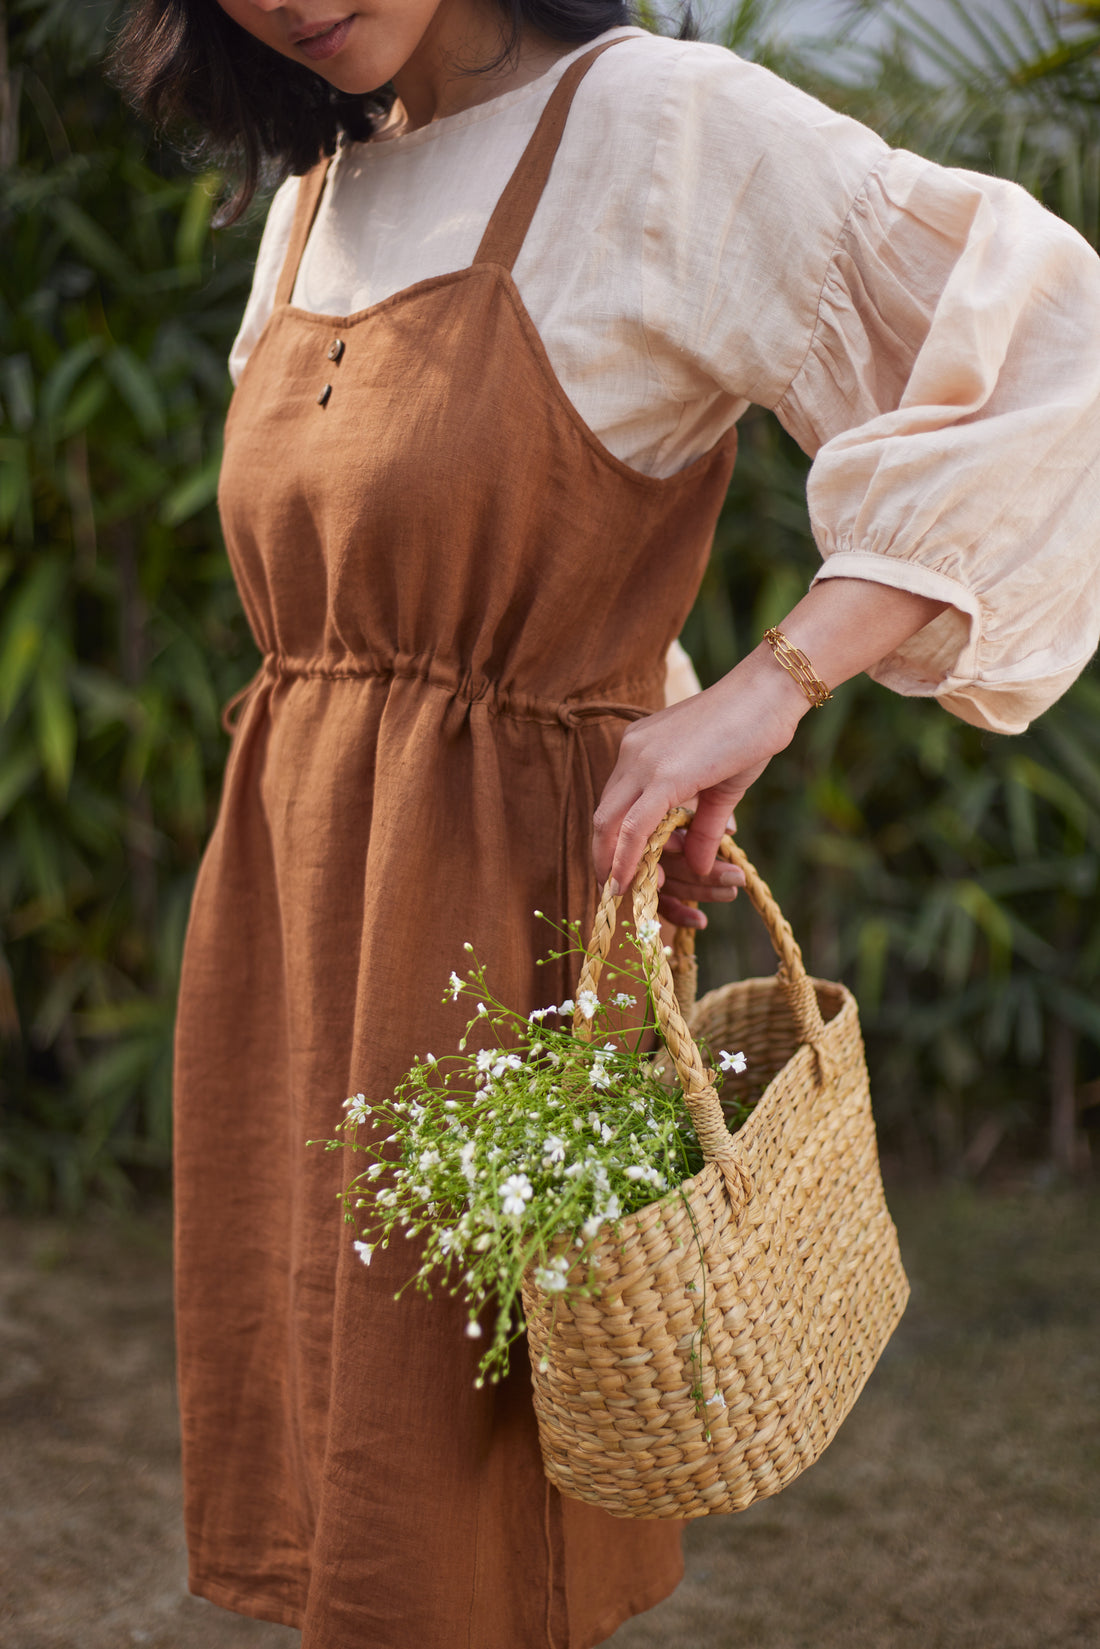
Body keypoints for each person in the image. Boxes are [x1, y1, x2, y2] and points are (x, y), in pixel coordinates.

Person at [112, 2, 1100, 1645]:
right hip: (296, 913)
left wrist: (771, 689)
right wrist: (665, 711)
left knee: (459, 1522)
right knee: (341, 1473)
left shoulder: (658, 126)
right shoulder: (323, 191)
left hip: (486, 934)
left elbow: (1053, 352)